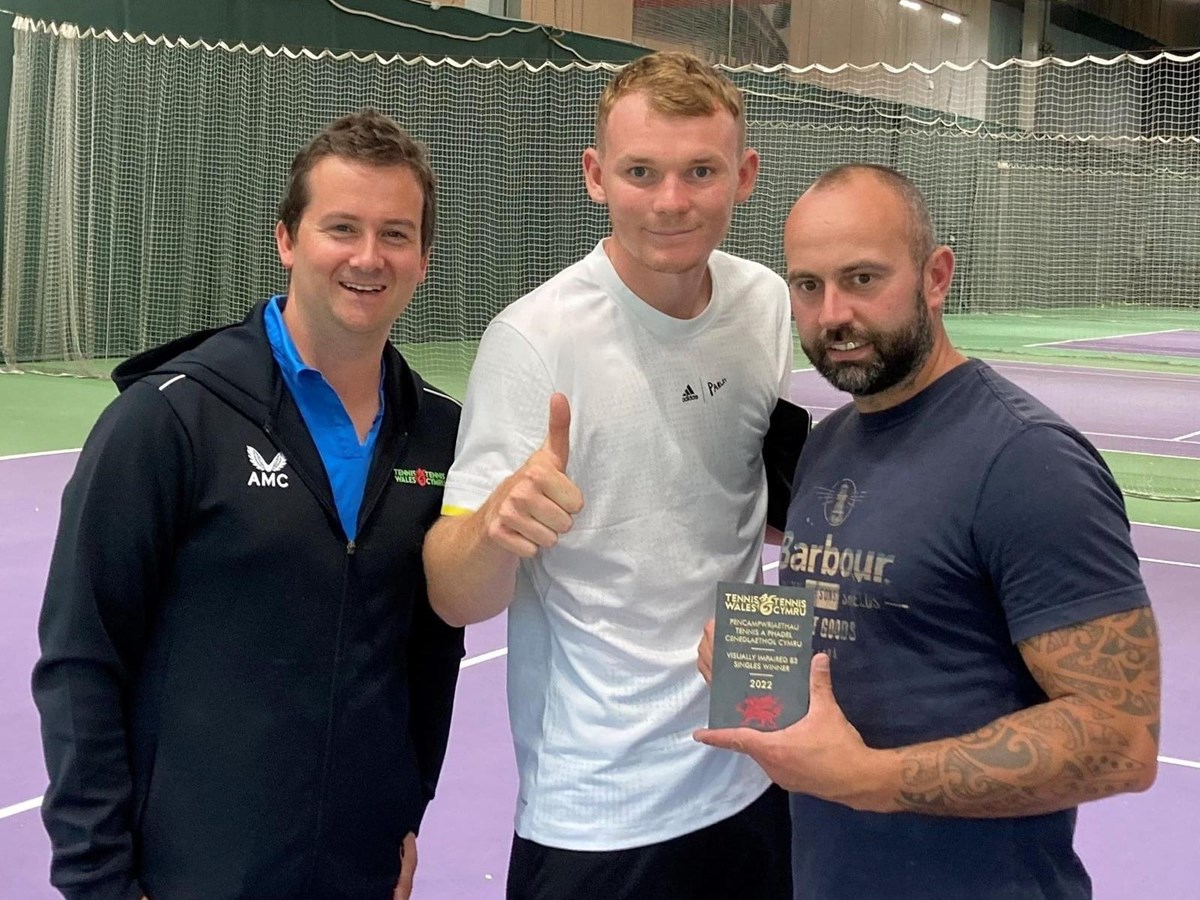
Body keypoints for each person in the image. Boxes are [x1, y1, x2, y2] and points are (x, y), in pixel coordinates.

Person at [695, 163, 1162, 899]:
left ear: (936, 276)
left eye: (863, 278)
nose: (833, 313)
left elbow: (1121, 741)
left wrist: (867, 780)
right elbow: (863, 647)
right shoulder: (828, 443)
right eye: (809, 286)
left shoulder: (1027, 460)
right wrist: (755, 675)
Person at [32, 109, 464, 900]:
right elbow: (80, 660)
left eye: (396, 234)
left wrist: (407, 813)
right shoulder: (168, 420)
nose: (369, 257)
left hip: (358, 873)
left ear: (424, 258)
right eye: (342, 227)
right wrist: (97, 881)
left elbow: (432, 654)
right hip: (189, 875)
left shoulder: (439, 436)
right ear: (287, 241)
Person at [422, 51, 795, 899]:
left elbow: (741, 517)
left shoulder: (767, 304)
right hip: (601, 810)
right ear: (596, 176)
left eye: (701, 170)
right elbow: (454, 594)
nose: (671, 201)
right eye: (641, 172)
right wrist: (497, 526)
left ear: (744, 176)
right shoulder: (533, 339)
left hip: (752, 767)